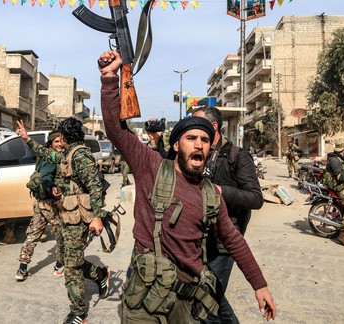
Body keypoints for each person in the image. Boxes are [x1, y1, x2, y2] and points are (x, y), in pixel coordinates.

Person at [98, 50, 276, 323]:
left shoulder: (209, 194)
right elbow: (116, 130)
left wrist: (259, 284)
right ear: (176, 145)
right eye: (191, 138)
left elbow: (233, 239)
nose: (199, 144)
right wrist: (110, 78)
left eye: (204, 140)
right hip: (145, 300)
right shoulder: (151, 167)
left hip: (186, 302)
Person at [16, 118, 110, 324]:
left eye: (60, 136)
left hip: (78, 219)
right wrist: (26, 139)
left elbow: (94, 186)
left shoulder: (80, 155)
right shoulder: (66, 154)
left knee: (71, 266)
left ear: (64, 137)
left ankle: (78, 312)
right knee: (68, 259)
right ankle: (100, 274)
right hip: (66, 215)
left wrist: (97, 217)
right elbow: (46, 153)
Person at [193, 106, 264, 324]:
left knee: (207, 301)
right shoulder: (195, 152)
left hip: (223, 242)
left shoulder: (237, 156)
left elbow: (255, 198)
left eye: (198, 123)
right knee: (210, 295)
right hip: (196, 238)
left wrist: (221, 191)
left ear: (213, 126)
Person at [14, 131, 64, 281]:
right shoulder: (51, 158)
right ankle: (59, 266)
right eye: (56, 142)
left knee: (33, 235)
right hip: (50, 204)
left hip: (40, 203)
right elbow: (46, 177)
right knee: (62, 233)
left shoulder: (46, 155)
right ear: (50, 143)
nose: (59, 144)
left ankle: (22, 268)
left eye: (61, 141)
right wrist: (52, 188)